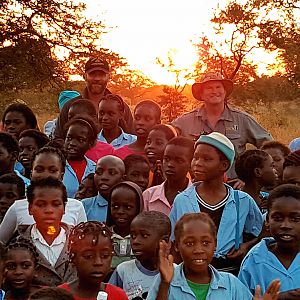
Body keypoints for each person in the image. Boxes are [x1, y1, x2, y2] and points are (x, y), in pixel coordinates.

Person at [169, 132, 263, 274]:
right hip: (191, 274)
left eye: (207, 159)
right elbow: (173, 241)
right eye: (196, 157)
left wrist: (246, 246)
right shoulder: (182, 200)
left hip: (230, 274)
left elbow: (261, 233)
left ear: (224, 165)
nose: (198, 163)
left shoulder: (242, 201)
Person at [147, 212, 280, 300]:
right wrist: (165, 284)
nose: (198, 250)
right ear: (176, 246)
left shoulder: (230, 284)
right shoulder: (166, 279)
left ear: (215, 244)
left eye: (206, 243)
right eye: (189, 243)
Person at [171, 71, 272, 179]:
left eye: (218, 87)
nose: (214, 91)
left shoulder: (242, 119)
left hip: (233, 185)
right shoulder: (186, 120)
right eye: (209, 88)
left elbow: (269, 146)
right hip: (196, 186)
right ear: (201, 94)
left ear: (224, 92)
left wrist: (249, 177)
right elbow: (165, 137)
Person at [0, 146, 86, 245]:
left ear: (61, 176)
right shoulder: (17, 207)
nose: (45, 175)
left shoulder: (77, 206)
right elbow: (2, 242)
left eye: (52, 170)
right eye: (39, 169)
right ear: (31, 174)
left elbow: (82, 244)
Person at [239, 184, 300, 297]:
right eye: (277, 218)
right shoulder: (254, 260)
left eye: (295, 219)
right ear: (267, 221)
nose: (286, 225)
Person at [54, 57, 134, 139]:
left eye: (101, 75)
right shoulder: (70, 106)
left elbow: (132, 138)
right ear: (85, 76)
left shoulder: (121, 107)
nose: (97, 79)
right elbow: (58, 138)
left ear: (108, 77)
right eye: (92, 74)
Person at [18, 177, 76, 286]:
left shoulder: (79, 241)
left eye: (56, 204)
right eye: (41, 205)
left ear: (64, 208)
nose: (49, 210)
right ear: (30, 208)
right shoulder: (19, 244)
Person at [109, 211, 171, 299]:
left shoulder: (176, 272)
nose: (135, 242)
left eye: (144, 235)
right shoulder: (123, 271)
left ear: (164, 241)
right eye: (133, 236)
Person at [59, 221, 128, 300]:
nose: (98, 262)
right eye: (88, 256)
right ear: (73, 257)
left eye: (105, 256)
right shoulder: (59, 296)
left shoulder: (119, 296)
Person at [143, 137, 194, 216]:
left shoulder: (197, 198)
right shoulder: (148, 196)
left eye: (179, 161)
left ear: (191, 164)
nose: (170, 165)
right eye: (166, 159)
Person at [109, 181, 143, 269]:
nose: (120, 211)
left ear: (138, 208)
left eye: (127, 207)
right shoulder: (104, 236)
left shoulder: (143, 239)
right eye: (115, 206)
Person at [82, 155, 125, 222]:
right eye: (99, 172)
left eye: (112, 173)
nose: (104, 177)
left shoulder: (130, 207)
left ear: (123, 178)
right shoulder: (84, 206)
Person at [63, 117, 96, 198]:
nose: (72, 143)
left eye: (80, 140)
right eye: (69, 138)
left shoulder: (95, 169)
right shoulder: (55, 167)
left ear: (90, 144)